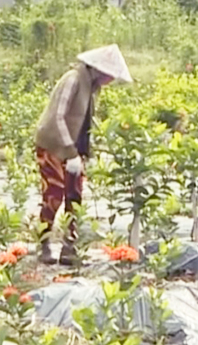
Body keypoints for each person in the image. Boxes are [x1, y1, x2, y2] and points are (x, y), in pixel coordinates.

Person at [34, 45, 133, 266]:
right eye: (110, 75)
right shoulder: (73, 80)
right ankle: (44, 244)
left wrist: (89, 149)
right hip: (52, 144)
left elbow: (83, 120)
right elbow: (57, 117)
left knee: (75, 196)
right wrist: (69, 152)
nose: (111, 80)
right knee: (54, 194)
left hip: (73, 148)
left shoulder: (92, 87)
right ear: (99, 69)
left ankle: (69, 247)